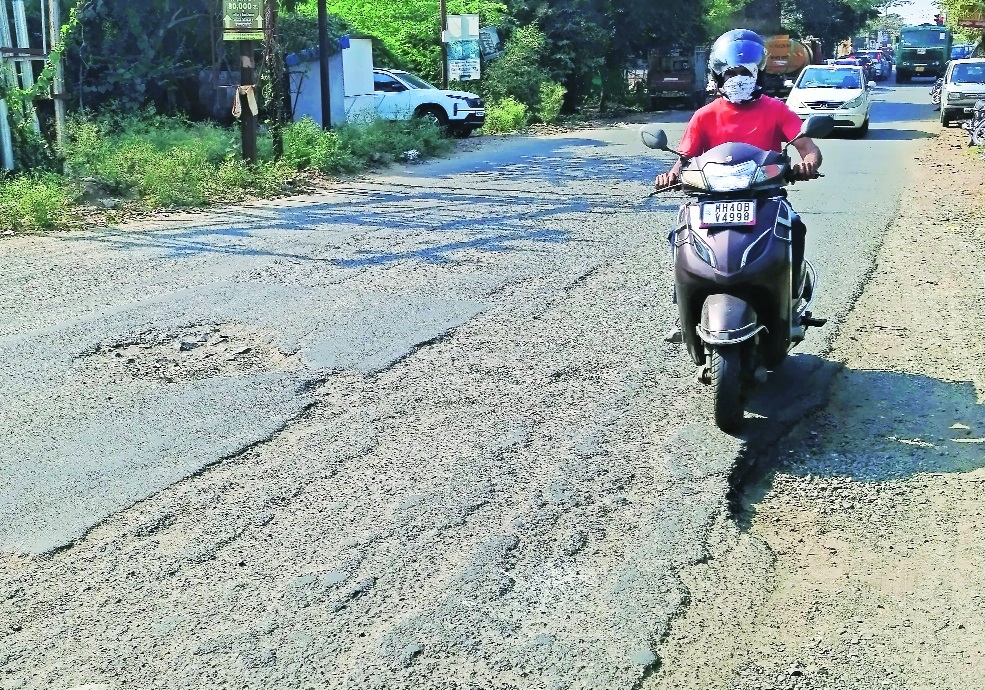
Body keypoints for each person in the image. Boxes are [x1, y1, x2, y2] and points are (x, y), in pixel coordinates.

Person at [655, 29, 823, 343]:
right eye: (731, 73)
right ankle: (684, 303)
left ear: (758, 73)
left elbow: (807, 146)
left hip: (765, 196)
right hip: (710, 199)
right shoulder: (704, 116)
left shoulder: (777, 110)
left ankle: (792, 298)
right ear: (717, 76)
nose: (738, 79)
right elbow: (685, 157)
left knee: (795, 227)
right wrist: (672, 173)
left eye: (745, 72)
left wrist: (808, 162)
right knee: (678, 234)